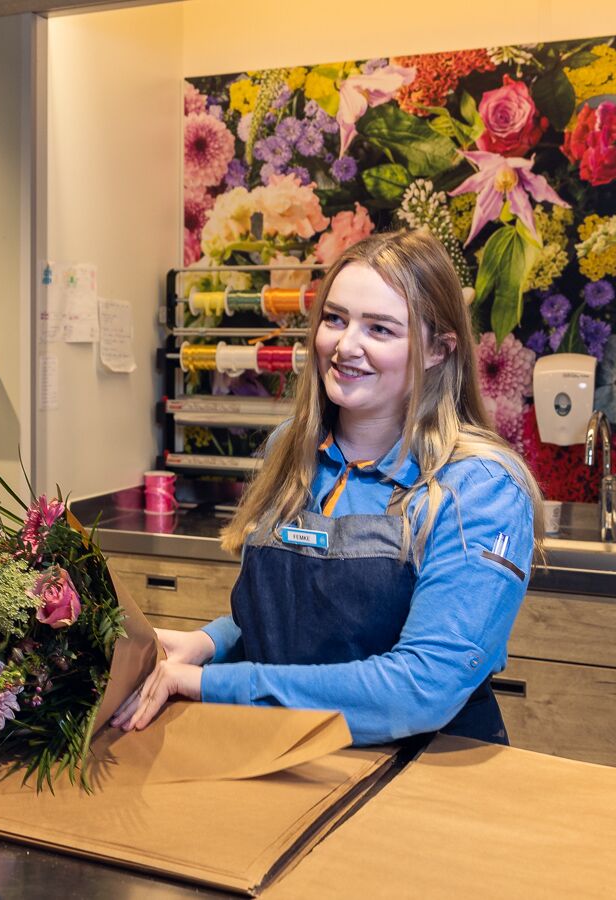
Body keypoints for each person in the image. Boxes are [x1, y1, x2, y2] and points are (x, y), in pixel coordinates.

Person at [112, 230, 541, 746]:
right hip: (285, 751)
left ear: (438, 350)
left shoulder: (478, 487)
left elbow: (422, 687)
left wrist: (212, 683)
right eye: (335, 319)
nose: (345, 346)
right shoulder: (288, 452)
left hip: (419, 771)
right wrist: (210, 642)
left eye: (380, 329)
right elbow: (302, 620)